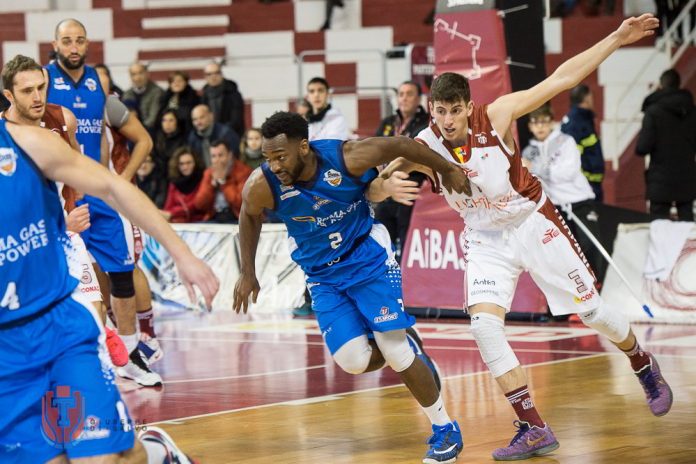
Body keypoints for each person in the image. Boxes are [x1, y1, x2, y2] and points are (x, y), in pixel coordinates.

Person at [381, 15, 672, 461]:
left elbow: (563, 77)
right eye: (439, 112)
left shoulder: (497, 115)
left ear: (466, 106)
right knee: (484, 327)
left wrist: (616, 37)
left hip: (532, 222)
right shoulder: (422, 144)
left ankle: (641, 362)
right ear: (431, 109)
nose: (447, 120)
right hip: (484, 238)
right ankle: (533, 426)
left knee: (592, 311)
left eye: (454, 110)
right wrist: (382, 187)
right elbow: (380, 169)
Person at [233, 111, 471, 463]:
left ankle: (445, 429)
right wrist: (247, 272)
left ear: (303, 147)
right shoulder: (262, 183)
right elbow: (248, 215)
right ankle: (406, 342)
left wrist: (448, 169)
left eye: (280, 157)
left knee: (394, 351)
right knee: (353, 362)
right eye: (268, 158)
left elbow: (403, 145)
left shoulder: (345, 156)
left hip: (367, 256)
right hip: (322, 276)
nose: (275, 165)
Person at [0, 116, 218, 462]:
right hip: (7, 354)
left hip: (58, 329)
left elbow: (111, 186)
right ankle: (154, 453)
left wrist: (182, 253)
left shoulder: (25, 143)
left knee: (98, 459)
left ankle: (156, 452)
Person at [47, 19, 162, 384]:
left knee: (123, 273)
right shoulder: (44, 80)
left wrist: (119, 181)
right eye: (67, 41)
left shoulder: (98, 81)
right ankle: (68, 357)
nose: (74, 47)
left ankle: (128, 355)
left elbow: (127, 138)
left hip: (99, 191)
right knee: (61, 278)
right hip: (61, 193)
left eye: (79, 40)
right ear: (56, 44)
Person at [1, 53, 129, 368]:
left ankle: (100, 365)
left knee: (93, 307)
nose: (37, 97)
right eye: (28, 90)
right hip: (23, 245)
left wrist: (73, 205)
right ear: (9, 96)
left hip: (65, 234)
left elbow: (78, 172)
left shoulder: (63, 118)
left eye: (41, 88)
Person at [522, 104, 605, 284]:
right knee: (563, 253)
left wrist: (536, 168)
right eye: (535, 123)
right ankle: (572, 301)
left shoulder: (565, 141)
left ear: (551, 122)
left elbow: (569, 172)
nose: (540, 127)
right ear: (530, 126)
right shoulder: (529, 152)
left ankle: (596, 287)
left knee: (589, 247)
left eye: (544, 122)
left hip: (580, 202)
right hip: (556, 208)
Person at [374, 80, 431, 262]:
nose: (404, 98)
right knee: (381, 240)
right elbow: (374, 151)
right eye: (401, 94)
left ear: (419, 99)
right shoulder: (388, 123)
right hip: (386, 188)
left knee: (407, 241)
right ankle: (383, 279)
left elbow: (414, 155)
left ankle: (406, 282)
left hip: (410, 188)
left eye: (409, 94)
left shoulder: (426, 124)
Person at [636, 68, 696, 221]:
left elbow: (642, 148)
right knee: (688, 227)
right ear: (679, 84)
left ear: (661, 86)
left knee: (659, 227)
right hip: (687, 178)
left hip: (660, 180)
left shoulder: (653, 112)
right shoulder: (692, 110)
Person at [561, 83, 605, 201]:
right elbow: (572, 155)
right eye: (591, 96)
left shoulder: (583, 118)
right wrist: (581, 181)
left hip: (591, 181)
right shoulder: (577, 122)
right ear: (586, 98)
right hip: (585, 184)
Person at [194, 139, 252, 223]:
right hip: (214, 217)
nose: (217, 160)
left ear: (230, 155)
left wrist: (224, 182)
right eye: (213, 156)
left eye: (220, 155)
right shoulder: (209, 173)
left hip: (237, 218)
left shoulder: (244, 171)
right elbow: (199, 204)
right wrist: (211, 186)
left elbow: (241, 203)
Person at [201, 61, 245, 137]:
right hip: (210, 136)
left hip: (231, 135)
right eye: (209, 74)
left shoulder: (233, 93)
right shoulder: (204, 95)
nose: (213, 76)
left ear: (221, 74)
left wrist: (219, 132)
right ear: (205, 77)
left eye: (216, 73)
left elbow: (236, 120)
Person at [163, 145, 207, 222]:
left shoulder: (203, 178)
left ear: (195, 163)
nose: (185, 167)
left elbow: (196, 205)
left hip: (199, 222)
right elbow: (168, 208)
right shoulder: (174, 183)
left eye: (188, 163)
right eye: (182, 164)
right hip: (179, 222)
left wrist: (174, 213)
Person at [122, 62, 165, 132]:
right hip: (132, 132)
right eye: (133, 74)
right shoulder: (127, 94)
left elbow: (152, 120)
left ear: (147, 74)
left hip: (152, 133)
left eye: (140, 73)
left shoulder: (157, 92)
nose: (137, 78)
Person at [152, 108, 188, 173]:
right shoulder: (158, 138)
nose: (167, 124)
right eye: (164, 120)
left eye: (171, 120)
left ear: (177, 122)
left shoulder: (183, 139)